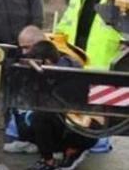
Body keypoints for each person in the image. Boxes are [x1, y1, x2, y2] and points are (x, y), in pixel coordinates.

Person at [5, 25, 89, 154]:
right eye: (22, 48)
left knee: (45, 114)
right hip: (38, 107)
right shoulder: (26, 58)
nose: (24, 52)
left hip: (65, 116)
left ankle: (60, 149)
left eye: (27, 47)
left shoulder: (65, 61)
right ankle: (31, 140)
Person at [22, 41, 99, 170]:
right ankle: (69, 151)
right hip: (78, 127)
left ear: (47, 61)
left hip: (82, 129)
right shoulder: (59, 70)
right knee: (29, 120)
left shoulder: (70, 76)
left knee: (40, 116)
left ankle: (50, 161)